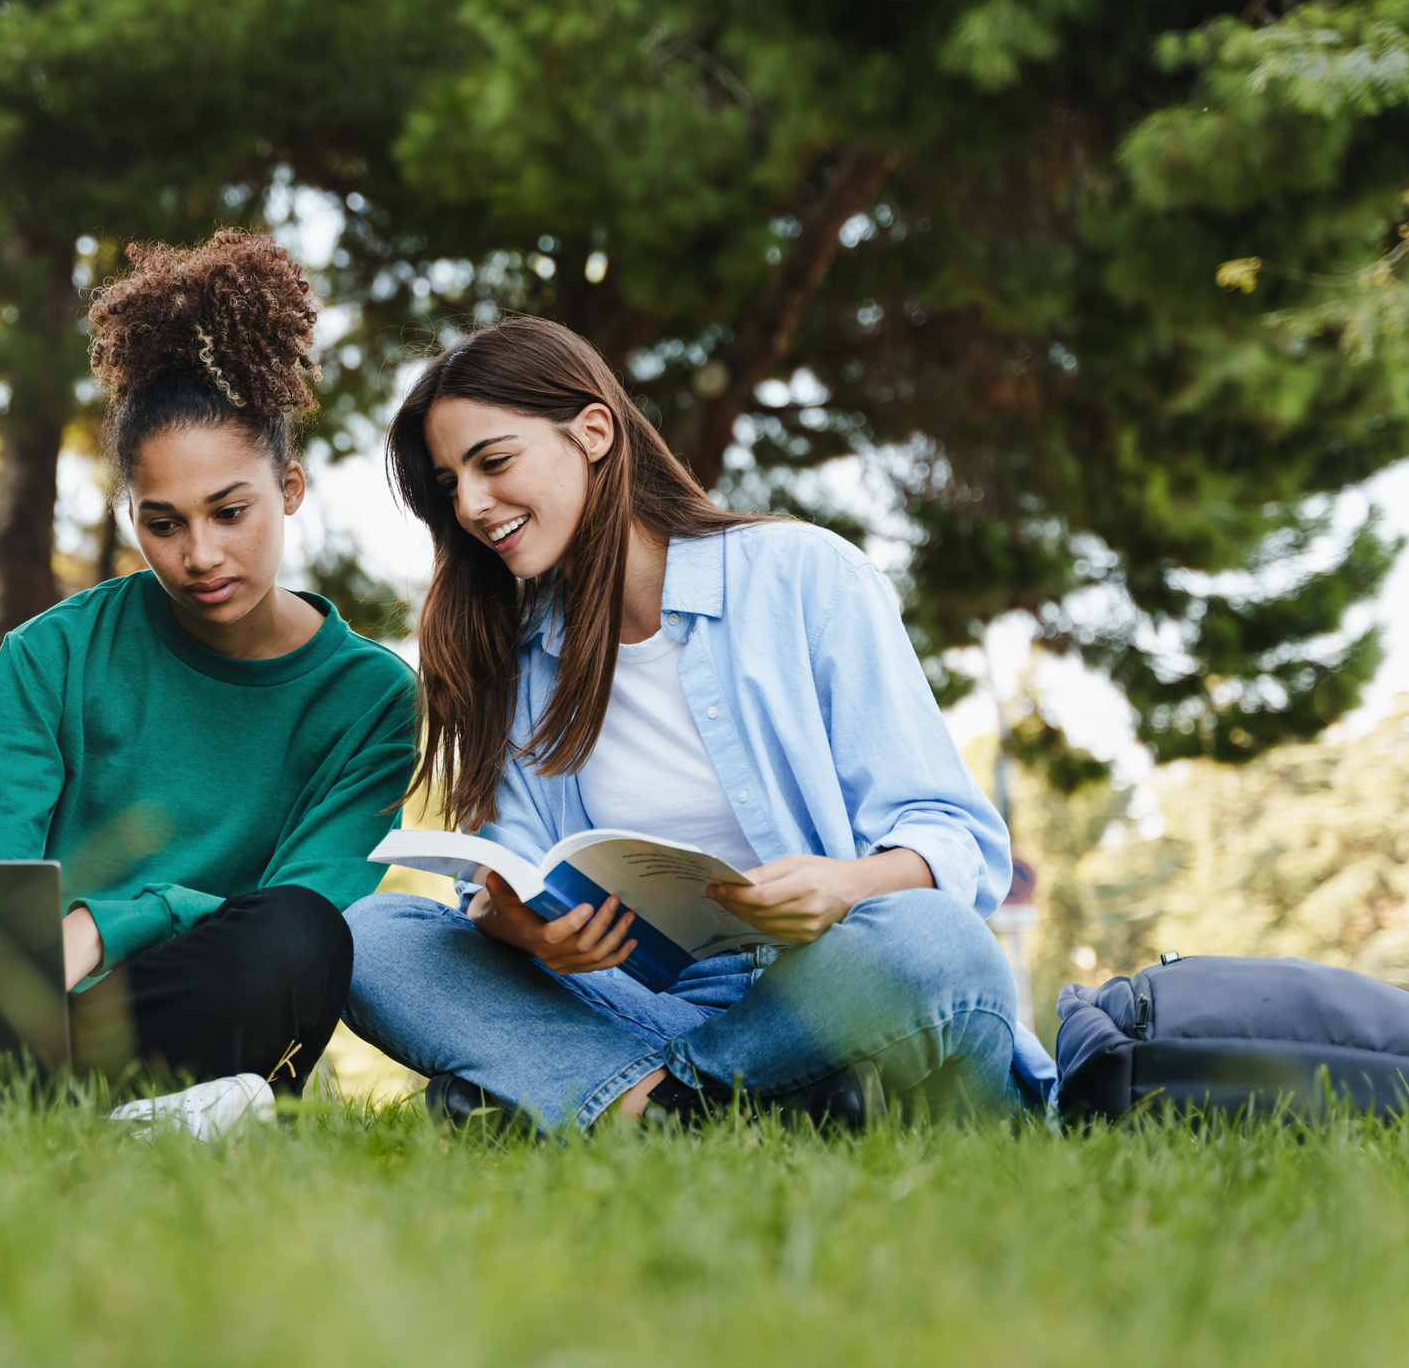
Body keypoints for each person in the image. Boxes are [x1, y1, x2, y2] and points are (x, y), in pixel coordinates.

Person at [342, 316, 1055, 1134]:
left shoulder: (802, 575)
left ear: (593, 432)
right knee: (373, 937)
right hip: (644, 1005)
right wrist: (523, 930)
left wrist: (844, 885)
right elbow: (499, 879)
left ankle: (634, 1107)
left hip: (833, 986)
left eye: (492, 462)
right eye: (449, 484)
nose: (469, 504)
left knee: (937, 945)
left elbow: (959, 839)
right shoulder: (514, 659)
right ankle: (758, 1110)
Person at [0, 233, 416, 1133]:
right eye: (161, 523)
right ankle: (104, 1117)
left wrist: (116, 920)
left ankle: (18, 1106)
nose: (199, 555)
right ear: (131, 514)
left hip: (210, 1005)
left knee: (297, 938)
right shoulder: (48, 657)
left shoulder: (370, 700)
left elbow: (307, 910)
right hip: (36, 1011)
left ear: (289, 487)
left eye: (229, 512)